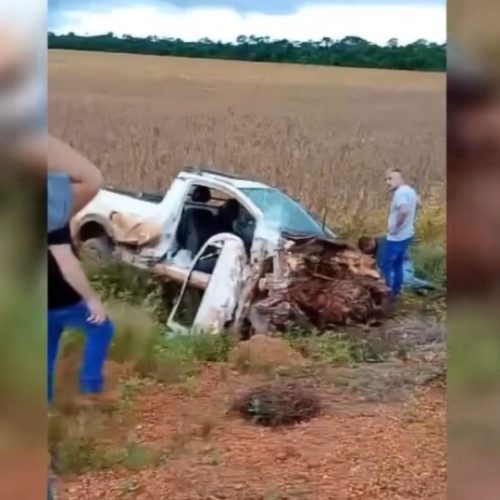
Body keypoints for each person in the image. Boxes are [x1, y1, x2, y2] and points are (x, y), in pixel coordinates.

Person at [48, 222, 114, 406]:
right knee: (101, 327)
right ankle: (90, 389)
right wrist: (92, 300)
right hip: (62, 298)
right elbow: (67, 265)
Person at [382, 168, 419, 298]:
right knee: (398, 264)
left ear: (400, 178)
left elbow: (403, 211)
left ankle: (387, 292)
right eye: (386, 179)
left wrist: (395, 227)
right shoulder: (410, 190)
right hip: (407, 234)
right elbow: (418, 204)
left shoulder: (400, 193)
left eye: (391, 178)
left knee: (385, 265)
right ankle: (396, 292)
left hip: (397, 237)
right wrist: (410, 223)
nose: (388, 182)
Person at [358, 235, 435, 291]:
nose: (367, 253)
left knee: (403, 279)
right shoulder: (379, 241)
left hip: (403, 262)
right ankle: (420, 288)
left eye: (366, 250)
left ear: (369, 244)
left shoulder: (382, 247)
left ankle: (430, 285)